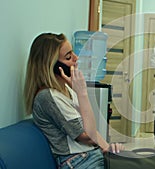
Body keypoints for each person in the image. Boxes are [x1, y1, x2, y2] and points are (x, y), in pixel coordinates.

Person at [23, 33, 124, 169]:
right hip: (78, 162)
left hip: (93, 154)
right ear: (53, 66)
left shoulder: (66, 88)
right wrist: (82, 93)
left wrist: (107, 149)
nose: (76, 59)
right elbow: (88, 135)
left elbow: (89, 127)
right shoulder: (47, 97)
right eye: (69, 57)